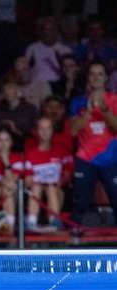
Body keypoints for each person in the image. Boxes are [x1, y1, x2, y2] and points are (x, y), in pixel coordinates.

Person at [68, 61, 117, 225]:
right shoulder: (78, 102)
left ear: (106, 78)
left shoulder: (115, 100)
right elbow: (73, 131)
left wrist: (104, 110)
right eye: (92, 74)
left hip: (111, 159)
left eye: (100, 74)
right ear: (88, 78)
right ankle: (74, 241)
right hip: (85, 159)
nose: (96, 77)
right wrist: (88, 111)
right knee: (80, 204)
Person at [24, 117, 71, 231]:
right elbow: (27, 181)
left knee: (51, 188)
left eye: (48, 128)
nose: (45, 132)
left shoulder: (62, 151)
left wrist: (59, 182)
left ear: (52, 130)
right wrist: (40, 182)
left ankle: (54, 222)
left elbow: (67, 174)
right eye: (41, 129)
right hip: (36, 189)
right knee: (37, 187)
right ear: (36, 131)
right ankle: (31, 222)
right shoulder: (30, 155)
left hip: (57, 188)